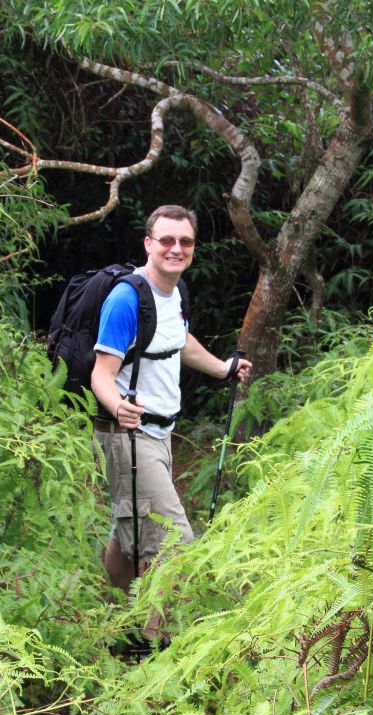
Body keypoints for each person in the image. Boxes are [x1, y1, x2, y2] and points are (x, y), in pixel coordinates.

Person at [90, 204, 252, 599]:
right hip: (130, 434)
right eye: (166, 240)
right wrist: (118, 407)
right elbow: (101, 374)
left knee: (128, 523)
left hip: (161, 433)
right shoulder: (127, 300)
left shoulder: (174, 291)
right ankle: (155, 642)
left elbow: (178, 341)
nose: (176, 248)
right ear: (149, 243)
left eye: (185, 241)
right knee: (174, 543)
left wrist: (222, 368)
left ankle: (115, 618)